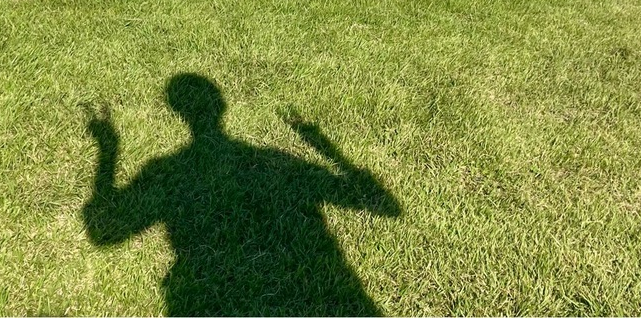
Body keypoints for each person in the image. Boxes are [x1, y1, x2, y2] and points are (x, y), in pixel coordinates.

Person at [82, 74, 401, 316]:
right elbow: (384, 205)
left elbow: (103, 231)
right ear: (222, 106)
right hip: (322, 295)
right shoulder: (277, 162)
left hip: (206, 299)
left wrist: (109, 150)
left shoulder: (165, 169)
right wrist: (327, 151)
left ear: (178, 112)